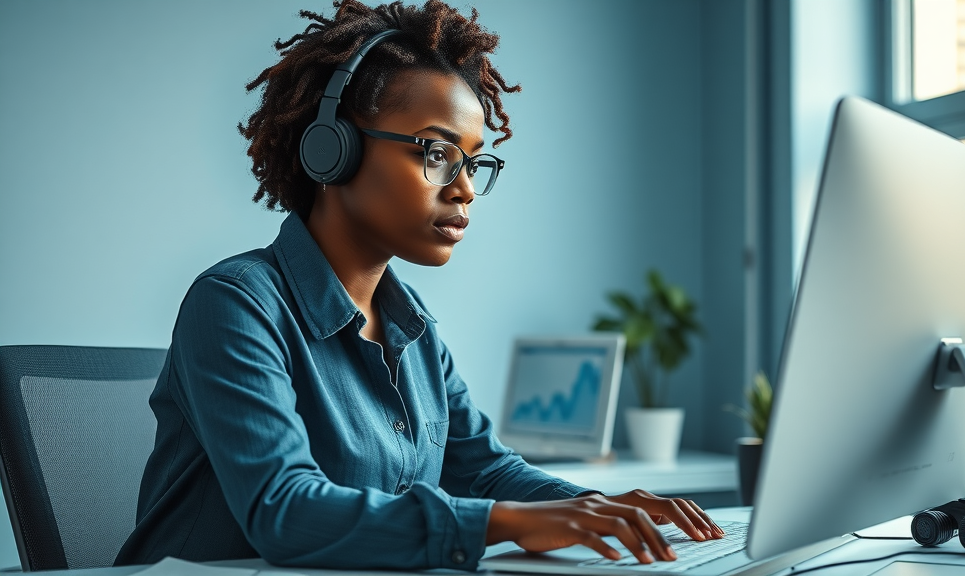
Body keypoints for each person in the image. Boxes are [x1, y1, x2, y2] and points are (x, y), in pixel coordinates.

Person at [115, 0, 723, 570]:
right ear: (335, 151)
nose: (463, 189)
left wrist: (600, 510)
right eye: (436, 152)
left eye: (474, 162)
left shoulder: (412, 327)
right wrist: (498, 525)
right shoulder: (236, 303)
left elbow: (484, 471)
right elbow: (283, 509)